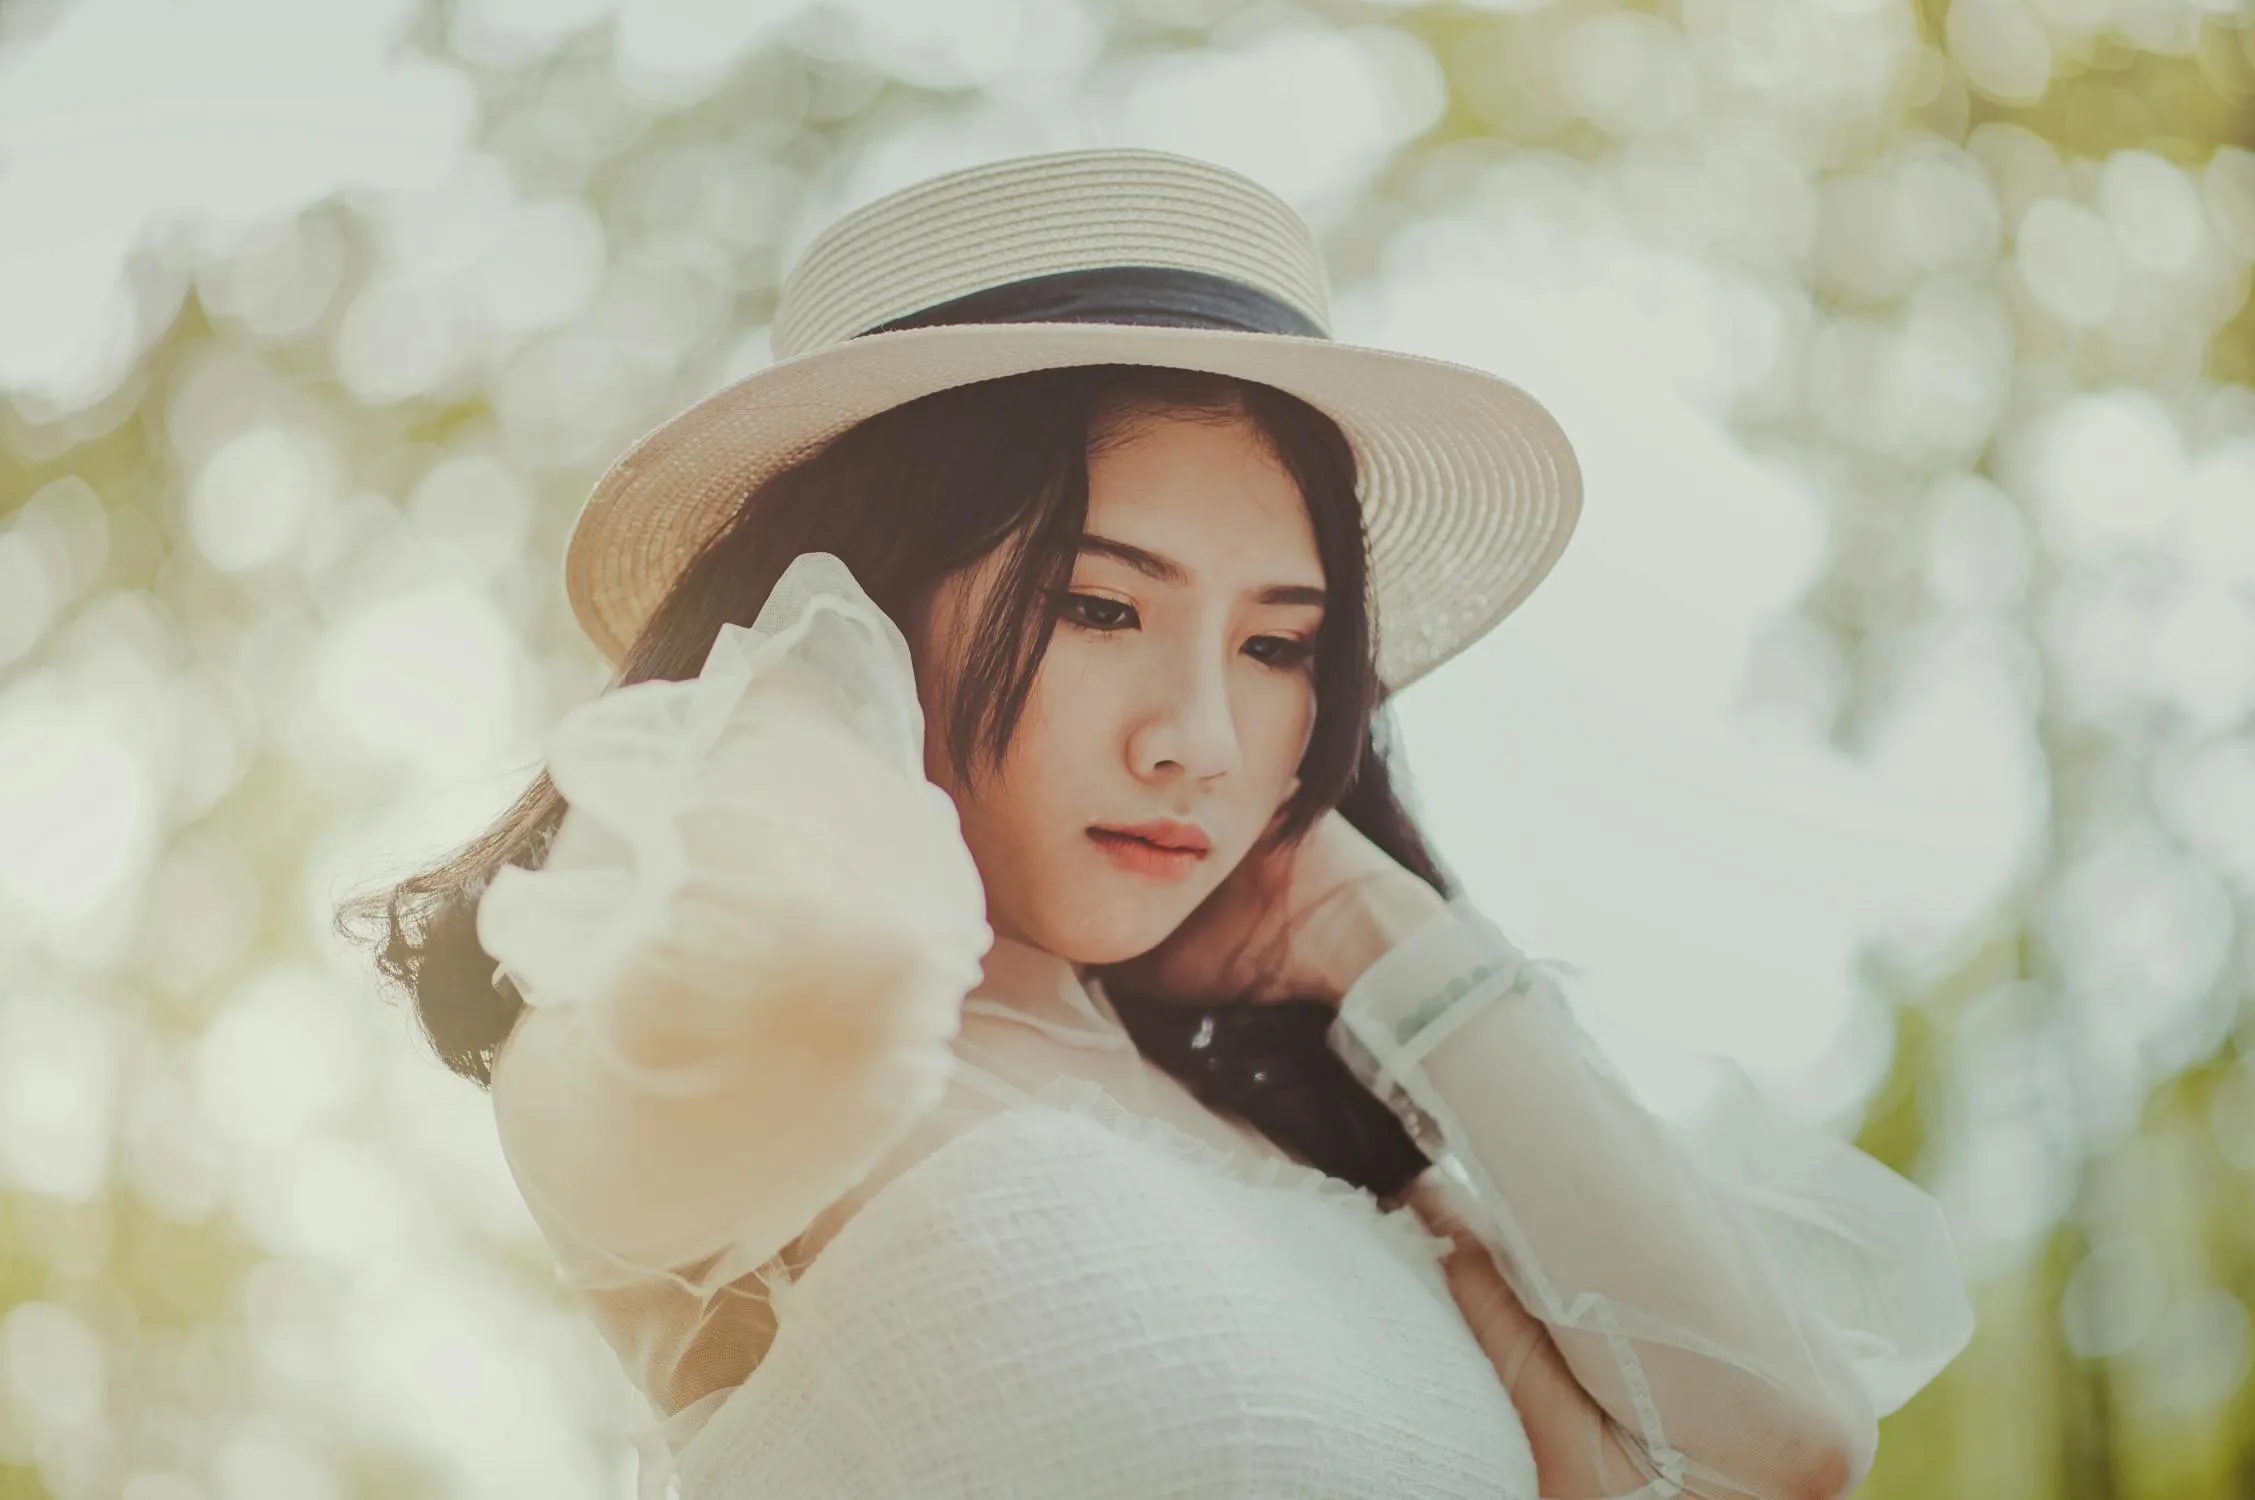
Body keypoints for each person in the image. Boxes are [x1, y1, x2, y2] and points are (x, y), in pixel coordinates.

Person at [347, 149, 1973, 1498]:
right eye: (1097, 607)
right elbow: (823, 950)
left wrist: (1374, 928)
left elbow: (1785, 1440)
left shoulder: (1324, 1175)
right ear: (861, 594)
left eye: (1278, 648)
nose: (1198, 739)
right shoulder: (711, 1062)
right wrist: (809, 689)